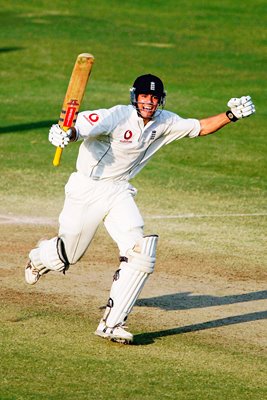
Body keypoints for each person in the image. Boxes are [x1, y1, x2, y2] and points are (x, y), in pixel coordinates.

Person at [25, 74, 255, 344]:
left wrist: (231, 115)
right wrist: (68, 134)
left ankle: (112, 324)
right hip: (86, 189)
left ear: (160, 100)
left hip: (119, 189)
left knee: (141, 252)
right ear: (135, 97)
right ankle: (40, 258)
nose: (149, 102)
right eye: (145, 96)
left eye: (155, 98)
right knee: (67, 257)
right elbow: (80, 127)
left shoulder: (165, 121)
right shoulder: (116, 116)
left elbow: (200, 127)